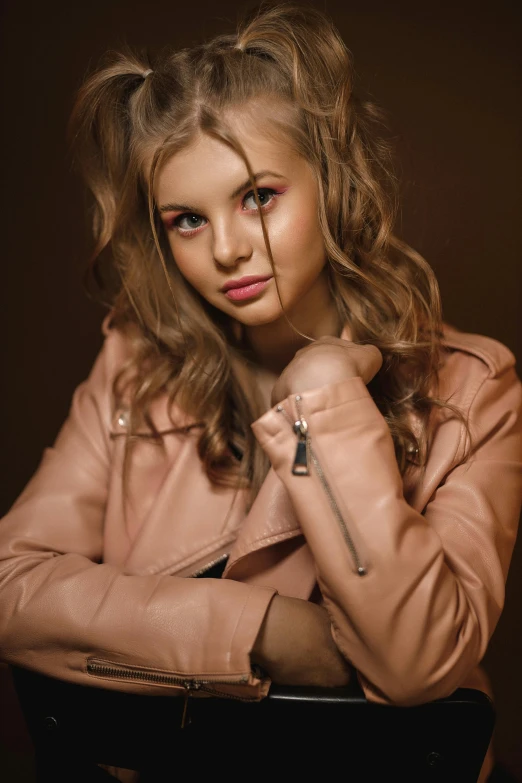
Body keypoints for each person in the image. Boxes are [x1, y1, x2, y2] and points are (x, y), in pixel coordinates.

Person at [0, 3, 521, 781]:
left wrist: (323, 400)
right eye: (185, 219)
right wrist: (264, 631)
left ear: (332, 181)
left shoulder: (474, 388)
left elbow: (417, 664)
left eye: (258, 196)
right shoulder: (136, 365)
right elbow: (12, 582)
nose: (227, 249)